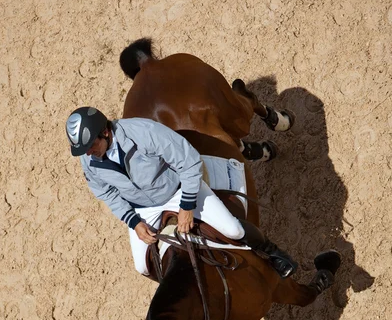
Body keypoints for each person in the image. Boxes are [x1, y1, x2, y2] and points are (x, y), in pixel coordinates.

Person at [66, 107, 297, 278]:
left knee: (233, 229)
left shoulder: (142, 132)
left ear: (105, 132)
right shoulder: (89, 160)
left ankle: (272, 252)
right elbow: (107, 194)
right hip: (144, 208)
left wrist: (187, 205)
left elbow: (189, 161)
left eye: (91, 147)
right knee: (142, 266)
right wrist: (134, 221)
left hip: (178, 188)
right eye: (84, 150)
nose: (88, 154)